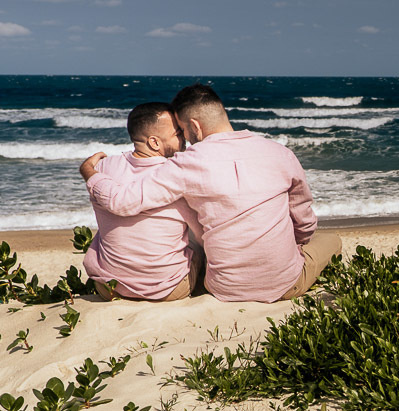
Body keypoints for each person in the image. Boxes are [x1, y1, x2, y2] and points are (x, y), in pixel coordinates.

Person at [79, 83, 341, 303]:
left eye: (183, 130)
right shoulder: (281, 153)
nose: (185, 139)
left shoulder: (187, 163)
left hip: (223, 289)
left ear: (195, 126)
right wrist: (295, 243)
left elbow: (125, 201)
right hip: (286, 285)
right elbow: (304, 221)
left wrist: (91, 172)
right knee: (333, 240)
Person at [83, 102, 204, 301]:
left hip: (110, 288)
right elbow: (201, 235)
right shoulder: (177, 175)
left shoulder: (103, 167)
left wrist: (87, 168)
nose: (185, 138)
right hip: (168, 291)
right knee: (198, 240)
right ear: (154, 143)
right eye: (178, 133)